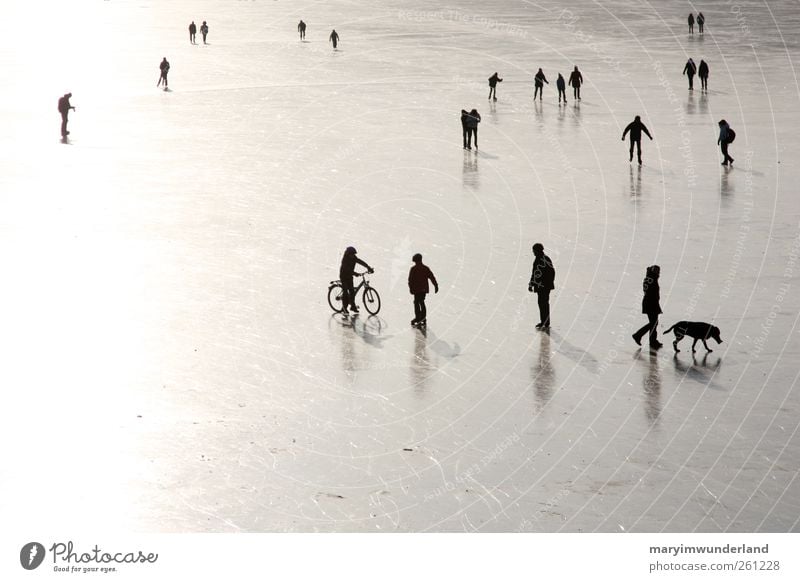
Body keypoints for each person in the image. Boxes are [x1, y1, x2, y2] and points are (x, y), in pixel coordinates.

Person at [632, 265, 663, 348]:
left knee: (654, 323)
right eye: (658, 271)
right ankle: (638, 335)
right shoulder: (653, 279)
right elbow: (653, 293)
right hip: (651, 303)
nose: (659, 273)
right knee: (654, 322)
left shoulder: (648, 278)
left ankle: (652, 341)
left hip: (649, 302)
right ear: (654, 271)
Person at [339, 247, 373, 315]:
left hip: (349, 277)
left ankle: (353, 307)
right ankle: (344, 308)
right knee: (345, 292)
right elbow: (347, 270)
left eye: (353, 254)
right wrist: (355, 273)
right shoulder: (345, 260)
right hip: (344, 277)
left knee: (352, 291)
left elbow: (361, 262)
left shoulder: (354, 258)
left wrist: (368, 267)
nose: (353, 255)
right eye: (352, 254)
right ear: (348, 254)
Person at [528, 243, 555, 329]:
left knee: (543, 303)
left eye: (534, 250)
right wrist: (531, 284)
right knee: (542, 303)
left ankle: (545, 322)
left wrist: (546, 283)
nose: (533, 252)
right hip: (542, 286)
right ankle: (544, 321)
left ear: (537, 250)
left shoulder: (543, 259)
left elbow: (551, 272)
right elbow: (535, 273)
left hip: (544, 287)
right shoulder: (540, 259)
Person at [408, 253, 439, 327]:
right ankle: (423, 318)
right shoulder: (425, 268)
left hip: (417, 289)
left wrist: (411, 288)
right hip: (423, 289)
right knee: (421, 302)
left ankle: (418, 317)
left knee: (416, 302)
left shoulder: (413, 269)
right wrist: (435, 285)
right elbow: (432, 277)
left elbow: (410, 280)